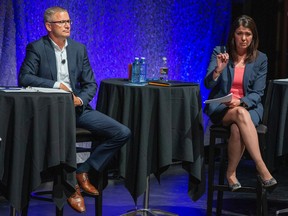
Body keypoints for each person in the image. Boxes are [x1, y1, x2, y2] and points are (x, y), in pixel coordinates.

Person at [19, 6, 131, 213]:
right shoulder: (36, 47)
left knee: (121, 132)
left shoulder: (79, 49)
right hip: (51, 113)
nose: (67, 25)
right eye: (62, 22)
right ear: (48, 26)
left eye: (69, 21)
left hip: (77, 109)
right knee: (64, 138)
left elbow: (90, 84)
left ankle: (84, 171)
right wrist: (56, 85)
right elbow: (24, 77)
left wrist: (80, 100)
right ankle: (71, 190)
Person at [204, 15, 277, 192]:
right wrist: (218, 70)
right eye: (239, 33)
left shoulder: (261, 59)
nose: (244, 38)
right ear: (233, 35)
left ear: (253, 37)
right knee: (239, 114)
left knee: (238, 126)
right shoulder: (219, 52)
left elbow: (257, 93)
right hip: (223, 108)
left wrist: (240, 101)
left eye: (248, 34)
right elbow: (208, 84)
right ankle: (261, 168)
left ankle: (231, 173)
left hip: (249, 108)